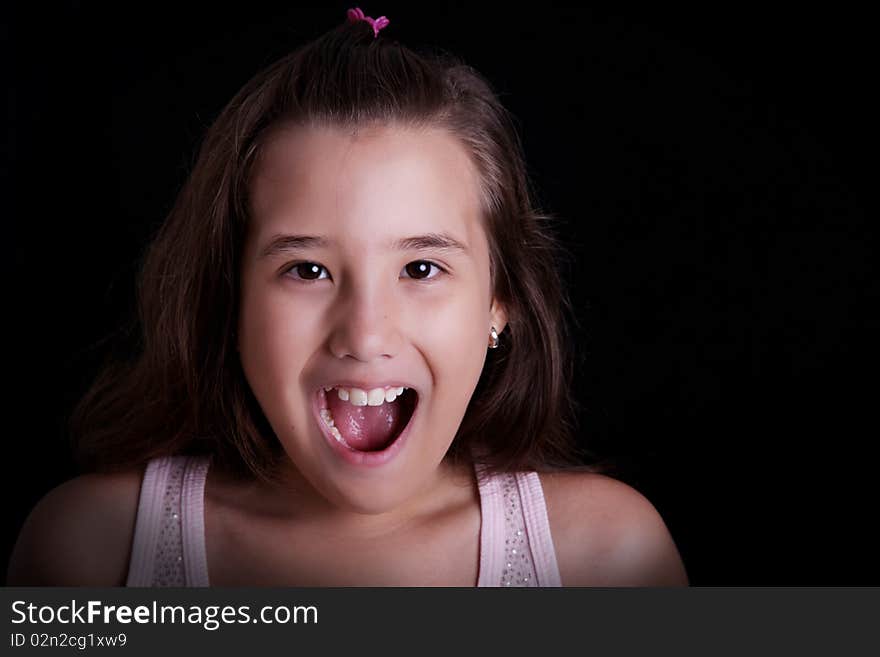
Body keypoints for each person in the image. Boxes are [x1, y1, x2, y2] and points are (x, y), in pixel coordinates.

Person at [7, 8, 688, 587]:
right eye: (307, 270)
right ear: (229, 298)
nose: (365, 335)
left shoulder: (606, 560)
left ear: (499, 302)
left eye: (421, 268)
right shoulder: (92, 555)